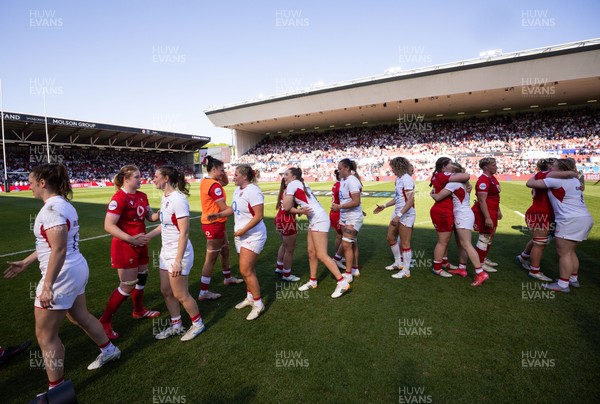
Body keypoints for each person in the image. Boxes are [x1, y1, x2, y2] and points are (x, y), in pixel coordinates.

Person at [4, 164, 120, 392]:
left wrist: (47, 286)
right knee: (80, 316)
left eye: (31, 182)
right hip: (74, 268)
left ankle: (56, 389)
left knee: (45, 335)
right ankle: (109, 350)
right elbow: (53, 244)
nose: (29, 186)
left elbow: (58, 250)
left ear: (43, 183)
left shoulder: (50, 211)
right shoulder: (63, 204)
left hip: (61, 275)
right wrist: (26, 262)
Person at [99, 165, 160, 340]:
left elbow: (150, 217)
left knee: (142, 277)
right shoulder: (119, 198)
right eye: (137, 177)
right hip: (125, 245)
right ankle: (104, 321)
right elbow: (108, 225)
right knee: (128, 284)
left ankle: (139, 310)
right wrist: (131, 239)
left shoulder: (142, 196)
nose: (141, 179)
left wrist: (164, 211)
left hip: (140, 244)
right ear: (126, 180)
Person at [146, 166, 206, 341]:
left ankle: (198, 324)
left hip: (178, 254)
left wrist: (178, 260)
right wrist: (147, 236)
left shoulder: (178, 200)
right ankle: (176, 325)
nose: (153, 179)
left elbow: (184, 232)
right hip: (166, 252)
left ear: (166, 178)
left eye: (156, 176)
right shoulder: (166, 198)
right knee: (166, 291)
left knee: (181, 294)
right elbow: (164, 225)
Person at [207, 165, 266, 320]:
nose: (233, 177)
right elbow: (232, 209)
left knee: (245, 270)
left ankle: (258, 304)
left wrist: (243, 231)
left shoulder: (253, 191)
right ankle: (250, 297)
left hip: (253, 235)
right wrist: (218, 214)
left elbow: (259, 216)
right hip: (241, 235)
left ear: (245, 176)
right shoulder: (237, 190)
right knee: (247, 270)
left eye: (236, 175)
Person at [526, 158, 594, 293]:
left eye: (555, 165)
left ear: (561, 168)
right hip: (584, 218)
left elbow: (530, 183)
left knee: (564, 253)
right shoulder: (575, 180)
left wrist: (560, 174)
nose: (552, 168)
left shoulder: (556, 180)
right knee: (570, 251)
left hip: (569, 219)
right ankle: (573, 279)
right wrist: (572, 173)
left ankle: (563, 284)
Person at [283, 168, 351, 298]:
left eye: (287, 174)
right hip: (316, 219)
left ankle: (342, 282)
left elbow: (286, 207)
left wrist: (287, 192)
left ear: (294, 176)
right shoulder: (300, 183)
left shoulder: (292, 184)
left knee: (321, 254)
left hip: (318, 219)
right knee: (311, 252)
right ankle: (313, 281)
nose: (284, 177)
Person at [516, 158, 575, 281]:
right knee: (540, 243)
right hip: (540, 213)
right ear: (548, 165)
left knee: (540, 240)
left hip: (546, 213)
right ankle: (534, 271)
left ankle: (523, 257)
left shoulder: (545, 176)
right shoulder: (544, 174)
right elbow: (568, 174)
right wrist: (573, 172)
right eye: (554, 163)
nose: (555, 166)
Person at [430, 162, 488, 286]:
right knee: (461, 244)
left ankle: (480, 272)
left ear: (454, 173)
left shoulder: (453, 183)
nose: (445, 171)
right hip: (464, 214)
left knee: (466, 244)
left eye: (448, 170)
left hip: (462, 215)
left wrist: (432, 194)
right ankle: (462, 268)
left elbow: (438, 197)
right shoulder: (463, 183)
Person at [198, 156, 243, 302]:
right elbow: (224, 208)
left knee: (225, 251)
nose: (224, 172)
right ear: (214, 169)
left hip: (217, 222)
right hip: (214, 223)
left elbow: (225, 182)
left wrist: (220, 172)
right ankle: (203, 292)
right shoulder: (214, 185)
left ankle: (228, 277)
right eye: (222, 169)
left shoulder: (207, 181)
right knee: (210, 259)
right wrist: (238, 209)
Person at [373, 157, 415, 279]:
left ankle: (406, 270)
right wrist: (384, 206)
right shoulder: (399, 179)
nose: (392, 170)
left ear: (399, 166)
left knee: (405, 243)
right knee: (390, 238)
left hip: (405, 214)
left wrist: (399, 215)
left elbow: (410, 200)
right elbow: (398, 198)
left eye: (393, 167)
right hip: (398, 213)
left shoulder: (407, 179)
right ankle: (398, 263)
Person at [429, 157, 470, 277]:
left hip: (445, 210)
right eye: (450, 163)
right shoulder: (443, 175)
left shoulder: (439, 175)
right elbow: (466, 176)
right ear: (444, 167)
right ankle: (437, 268)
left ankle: (444, 262)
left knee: (445, 240)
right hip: (443, 211)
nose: (452, 165)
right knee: (443, 241)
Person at [331, 158, 363, 283]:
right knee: (352, 243)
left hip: (353, 217)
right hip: (346, 216)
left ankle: (348, 273)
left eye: (340, 169)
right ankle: (354, 269)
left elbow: (356, 201)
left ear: (347, 168)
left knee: (346, 244)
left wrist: (339, 207)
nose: (338, 171)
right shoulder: (344, 180)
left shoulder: (352, 181)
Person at [471, 157, 502, 273]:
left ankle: (483, 258)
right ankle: (480, 263)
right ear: (485, 167)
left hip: (492, 210)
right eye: (493, 165)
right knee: (484, 236)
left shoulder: (492, 178)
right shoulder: (483, 180)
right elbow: (482, 200)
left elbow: (494, 197)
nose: (496, 166)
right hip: (485, 212)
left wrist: (498, 210)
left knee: (491, 234)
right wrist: (487, 217)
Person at [274, 175, 301, 282]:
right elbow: (288, 208)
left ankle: (279, 267)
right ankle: (287, 274)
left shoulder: (284, 190)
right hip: (287, 220)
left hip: (280, 218)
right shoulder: (289, 192)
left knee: (284, 245)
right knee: (289, 250)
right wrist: (301, 211)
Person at [330, 170, 345, 267]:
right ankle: (337, 257)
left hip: (335, 212)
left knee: (340, 236)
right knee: (345, 236)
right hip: (338, 212)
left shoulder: (336, 184)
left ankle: (338, 255)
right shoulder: (340, 186)